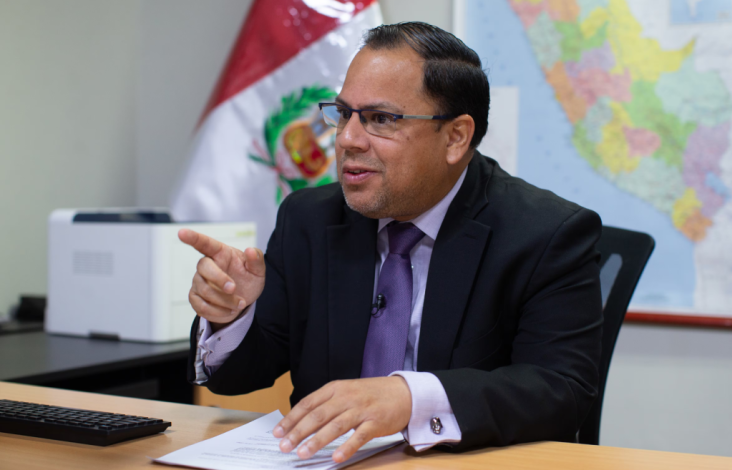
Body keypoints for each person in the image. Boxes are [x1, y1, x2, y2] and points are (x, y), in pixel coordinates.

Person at [179, 22, 603, 464]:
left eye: (380, 119)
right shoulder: (308, 218)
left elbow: (561, 391)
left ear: (456, 137)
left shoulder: (545, 233)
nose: (347, 139)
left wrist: (410, 398)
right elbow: (242, 375)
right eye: (343, 113)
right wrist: (232, 316)